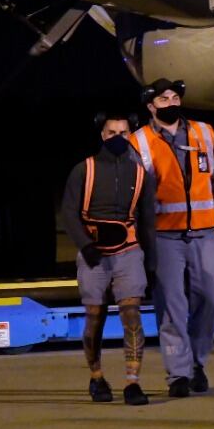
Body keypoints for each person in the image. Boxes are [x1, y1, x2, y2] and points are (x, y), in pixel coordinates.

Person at [130, 78, 214, 398]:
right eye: (164, 99)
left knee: (211, 298)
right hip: (164, 237)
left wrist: (211, 214)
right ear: (151, 106)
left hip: (203, 234)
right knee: (172, 306)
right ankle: (178, 374)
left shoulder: (203, 132)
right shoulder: (139, 141)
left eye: (175, 97)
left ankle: (197, 363)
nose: (172, 103)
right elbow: (134, 195)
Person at [62, 112, 157, 406]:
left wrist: (151, 263)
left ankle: (132, 382)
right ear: (102, 135)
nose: (118, 137)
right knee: (95, 317)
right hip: (94, 253)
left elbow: (147, 221)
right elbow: (69, 212)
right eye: (112, 132)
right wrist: (85, 245)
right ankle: (97, 377)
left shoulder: (140, 174)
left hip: (128, 250)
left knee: (132, 315)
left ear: (130, 135)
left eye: (123, 132)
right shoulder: (84, 170)